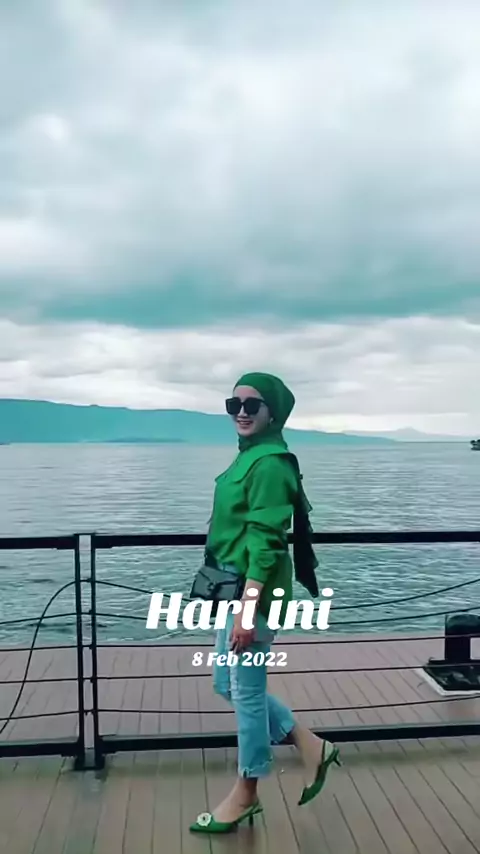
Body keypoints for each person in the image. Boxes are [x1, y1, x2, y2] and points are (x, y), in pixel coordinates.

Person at [189, 371, 340, 834]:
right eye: (233, 404)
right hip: (235, 587)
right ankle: (309, 744)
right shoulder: (250, 456)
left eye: (251, 405)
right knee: (226, 683)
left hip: (253, 593)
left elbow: (267, 541)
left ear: (273, 412)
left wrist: (247, 608)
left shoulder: (271, 463)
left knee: (248, 692)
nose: (241, 412)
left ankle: (247, 791)